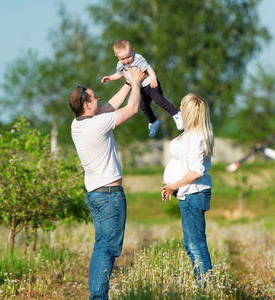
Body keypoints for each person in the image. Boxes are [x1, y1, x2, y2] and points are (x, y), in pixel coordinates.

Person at [69, 67, 147, 300]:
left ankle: (97, 296)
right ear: (86, 105)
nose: (99, 98)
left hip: (96, 194)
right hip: (110, 195)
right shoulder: (96, 125)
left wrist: (127, 83)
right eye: (94, 97)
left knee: (101, 246)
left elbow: (108, 108)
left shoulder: (78, 124)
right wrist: (136, 84)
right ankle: (98, 297)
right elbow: (132, 109)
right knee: (107, 249)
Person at [161, 93, 214, 282]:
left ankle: (206, 287)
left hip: (193, 193)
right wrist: (172, 187)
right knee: (190, 243)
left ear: (188, 111)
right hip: (187, 193)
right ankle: (202, 282)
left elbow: (196, 171)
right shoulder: (190, 134)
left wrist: (173, 185)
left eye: (182, 106)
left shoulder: (195, 137)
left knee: (196, 244)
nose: (179, 109)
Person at [101, 39, 183, 137]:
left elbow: (148, 68)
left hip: (150, 84)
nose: (126, 61)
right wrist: (110, 78)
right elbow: (119, 75)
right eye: (122, 59)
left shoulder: (137, 59)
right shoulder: (120, 64)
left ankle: (176, 114)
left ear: (132, 51)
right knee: (142, 105)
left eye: (128, 57)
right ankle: (153, 121)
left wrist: (153, 79)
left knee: (159, 100)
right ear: (117, 57)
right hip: (140, 88)